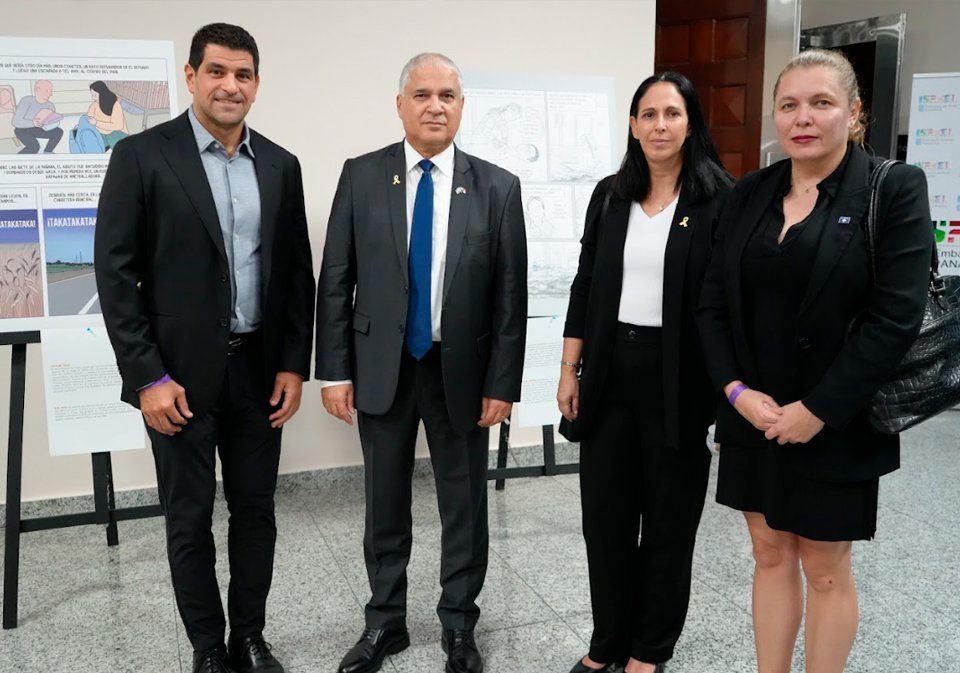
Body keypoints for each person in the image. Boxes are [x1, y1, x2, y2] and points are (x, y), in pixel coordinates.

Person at [697, 49, 933, 673]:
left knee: (825, 568)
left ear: (854, 112)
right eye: (789, 105)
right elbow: (712, 304)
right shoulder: (749, 192)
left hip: (838, 416)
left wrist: (820, 410)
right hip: (754, 411)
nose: (803, 118)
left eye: (821, 103)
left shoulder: (892, 187)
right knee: (769, 552)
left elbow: (895, 319)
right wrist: (734, 392)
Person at [95, 23, 314, 673]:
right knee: (188, 520)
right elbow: (114, 274)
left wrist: (292, 365)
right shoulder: (141, 157)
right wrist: (147, 376)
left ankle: (249, 636)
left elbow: (295, 275)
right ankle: (208, 647)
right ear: (191, 76)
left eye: (243, 74)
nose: (230, 85)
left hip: (259, 372)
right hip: (177, 378)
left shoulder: (281, 165)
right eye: (216, 71)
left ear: (257, 84)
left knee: (256, 512)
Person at [316, 52, 527, 673]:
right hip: (382, 368)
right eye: (423, 95)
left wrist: (503, 383)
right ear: (400, 104)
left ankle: (459, 624)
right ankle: (385, 622)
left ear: (461, 106)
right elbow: (336, 277)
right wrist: (336, 370)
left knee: (464, 505)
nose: (436, 106)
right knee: (384, 502)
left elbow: (509, 297)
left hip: (461, 371)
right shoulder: (362, 175)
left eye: (448, 96)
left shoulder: (497, 187)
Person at [557, 71, 732, 673]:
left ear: (691, 123)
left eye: (672, 114)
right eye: (649, 114)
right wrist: (569, 369)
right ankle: (607, 642)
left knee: (668, 523)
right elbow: (584, 285)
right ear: (632, 125)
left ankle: (648, 650)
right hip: (609, 373)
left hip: (679, 378)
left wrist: (729, 391)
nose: (660, 125)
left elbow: (730, 304)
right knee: (604, 519)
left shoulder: (718, 199)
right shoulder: (610, 195)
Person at [11, 80, 63, 153]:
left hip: (39, 128)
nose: (50, 94)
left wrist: (53, 121)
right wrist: (33, 123)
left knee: (58, 132)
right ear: (37, 90)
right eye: (47, 91)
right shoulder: (27, 100)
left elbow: (50, 122)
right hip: (22, 129)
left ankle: (48, 152)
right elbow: (16, 122)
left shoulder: (50, 105)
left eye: (51, 91)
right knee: (34, 147)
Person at [87, 80, 129, 149]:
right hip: (102, 132)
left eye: (95, 95)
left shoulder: (115, 105)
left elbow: (118, 126)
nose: (92, 98)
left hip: (117, 132)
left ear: (102, 94)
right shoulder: (94, 105)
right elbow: (89, 118)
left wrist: (97, 123)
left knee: (115, 143)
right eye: (92, 95)